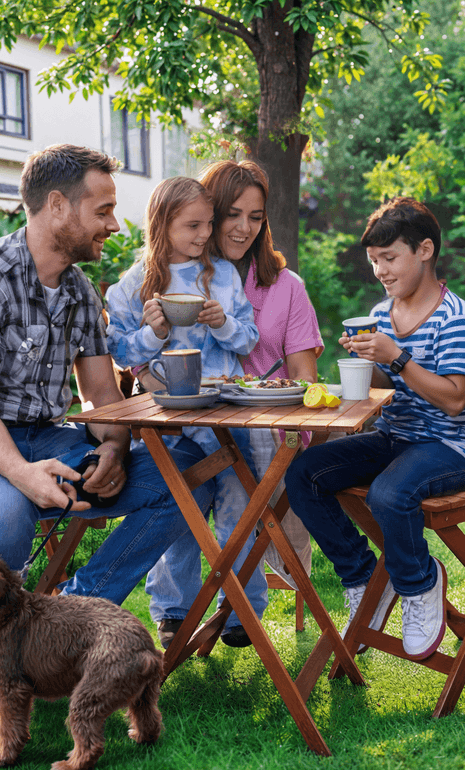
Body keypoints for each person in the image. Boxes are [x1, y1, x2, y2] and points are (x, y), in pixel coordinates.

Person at [0, 144, 214, 605]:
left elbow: (101, 395)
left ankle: (76, 609)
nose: (112, 224)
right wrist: (23, 474)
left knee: (190, 473)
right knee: (5, 509)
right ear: (56, 206)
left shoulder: (79, 290)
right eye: (103, 210)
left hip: (45, 438)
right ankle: (7, 646)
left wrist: (113, 447)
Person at [284, 198, 465, 660]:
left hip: (457, 444)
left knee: (388, 493)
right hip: (399, 437)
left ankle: (420, 584)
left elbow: (454, 400)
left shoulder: (455, 318)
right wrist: (368, 362)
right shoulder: (382, 315)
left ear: (424, 250)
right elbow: (387, 388)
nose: (380, 270)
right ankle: (363, 578)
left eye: (389, 257)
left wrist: (396, 356)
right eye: (374, 260)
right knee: (304, 473)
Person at [105, 176, 264, 648]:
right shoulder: (133, 287)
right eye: (192, 225)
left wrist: (225, 323)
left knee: (240, 499)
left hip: (224, 414)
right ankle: (175, 610)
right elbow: (118, 351)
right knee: (181, 503)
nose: (202, 235)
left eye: (207, 224)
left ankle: (241, 606)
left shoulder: (223, 275)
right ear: (162, 224)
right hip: (169, 418)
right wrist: (153, 335)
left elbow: (249, 339)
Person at [194, 160, 324, 590]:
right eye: (232, 214)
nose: (243, 228)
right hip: (198, 427)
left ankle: (243, 593)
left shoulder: (287, 287)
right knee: (177, 479)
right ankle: (184, 610)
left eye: (255, 217)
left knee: (266, 445)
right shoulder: (184, 279)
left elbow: (305, 381)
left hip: (267, 428)